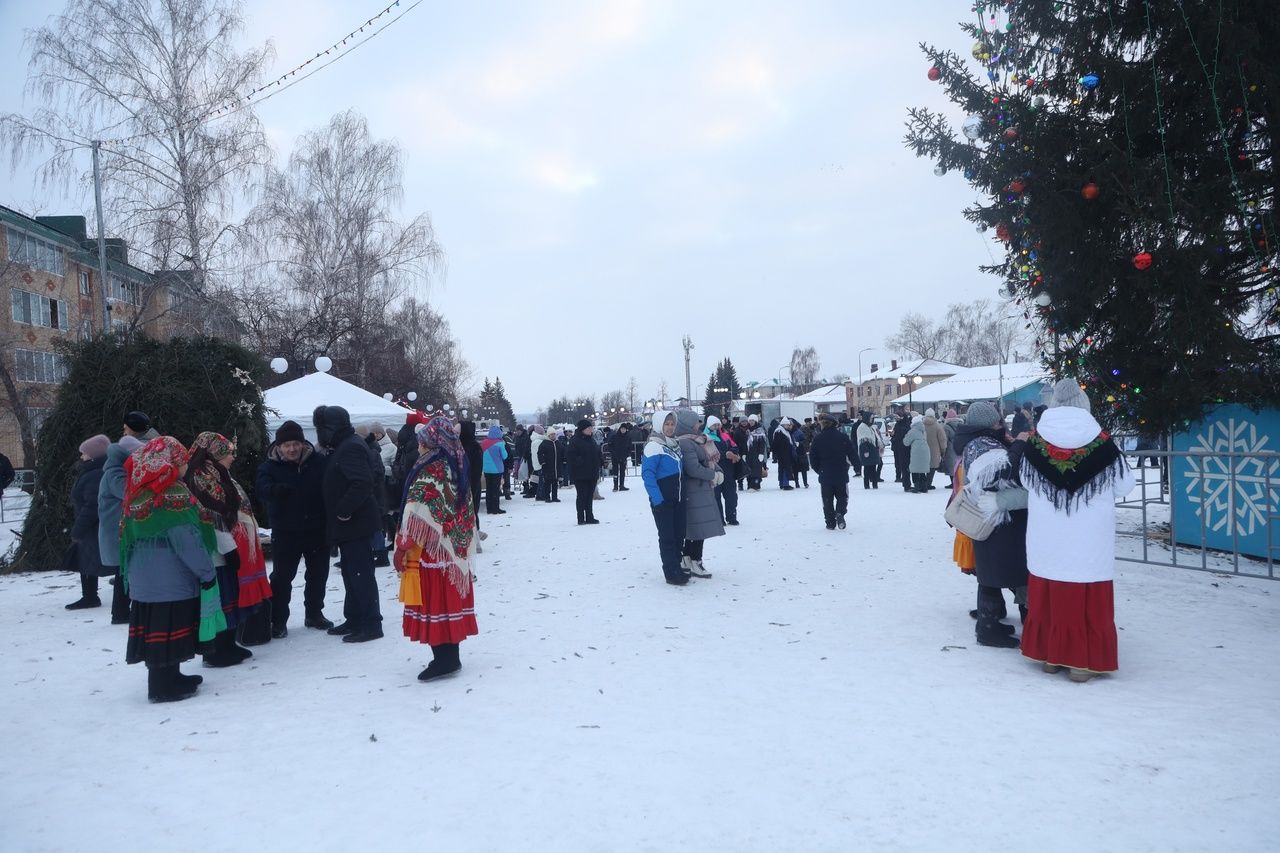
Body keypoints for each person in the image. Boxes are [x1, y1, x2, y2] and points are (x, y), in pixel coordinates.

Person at [1020, 379, 1135, 682]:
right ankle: (1082, 663)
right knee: (1087, 599)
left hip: (1047, 538)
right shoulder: (1104, 445)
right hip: (1088, 541)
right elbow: (1125, 485)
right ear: (1084, 404)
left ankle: (1049, 656)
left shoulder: (1035, 444)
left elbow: (1025, 481)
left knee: (1048, 595)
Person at [120, 436, 218, 703]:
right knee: (169, 630)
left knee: (157, 632)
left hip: (144, 577)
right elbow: (185, 539)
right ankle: (163, 687)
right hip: (170, 578)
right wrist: (206, 572)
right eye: (183, 461)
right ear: (172, 461)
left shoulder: (138, 490)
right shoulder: (172, 492)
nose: (186, 466)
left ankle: (172, 677)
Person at [395, 416, 479, 681]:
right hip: (451, 548)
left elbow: (418, 511)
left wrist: (403, 545)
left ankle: (443, 659)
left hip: (433, 551)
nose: (419, 447)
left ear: (431, 442)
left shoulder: (432, 469)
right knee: (446, 601)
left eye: (422, 442)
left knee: (436, 603)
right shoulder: (455, 464)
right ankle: (449, 656)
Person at [185, 432, 273, 662]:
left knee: (229, 598)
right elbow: (212, 517)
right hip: (217, 550)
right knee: (221, 599)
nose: (233, 457)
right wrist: (229, 548)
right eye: (229, 453)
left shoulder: (216, 473)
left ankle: (227, 644)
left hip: (227, 547)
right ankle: (217, 651)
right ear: (215, 453)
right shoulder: (202, 477)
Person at [957, 402, 1028, 650]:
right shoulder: (980, 444)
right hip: (997, 517)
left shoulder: (980, 440)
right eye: (998, 421)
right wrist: (1019, 443)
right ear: (989, 424)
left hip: (993, 517)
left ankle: (989, 624)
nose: (1002, 425)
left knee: (991, 572)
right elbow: (1004, 470)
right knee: (1004, 571)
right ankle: (987, 629)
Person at [314, 405, 384, 643]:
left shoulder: (350, 447)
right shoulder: (344, 445)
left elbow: (362, 483)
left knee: (360, 573)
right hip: (349, 523)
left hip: (356, 522)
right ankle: (354, 617)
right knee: (350, 572)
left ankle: (371, 623)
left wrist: (344, 510)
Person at [256, 420, 331, 637]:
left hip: (316, 528)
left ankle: (314, 613)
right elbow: (261, 489)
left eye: (295, 444)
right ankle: (278, 621)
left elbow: (329, 487)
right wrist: (274, 490)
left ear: (302, 443)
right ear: (279, 447)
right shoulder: (269, 467)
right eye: (287, 445)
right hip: (286, 530)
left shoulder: (318, 462)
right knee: (282, 577)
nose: (291, 449)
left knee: (318, 573)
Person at [97, 434, 144, 623]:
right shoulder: (115, 473)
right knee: (123, 572)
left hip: (119, 530)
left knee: (124, 571)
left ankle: (121, 611)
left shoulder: (115, 471)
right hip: (117, 532)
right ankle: (120, 612)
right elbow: (129, 493)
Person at [642, 411, 689, 586]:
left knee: (679, 535)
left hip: (678, 498)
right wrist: (657, 500)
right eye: (666, 424)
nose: (669, 427)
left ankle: (676, 565)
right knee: (667, 537)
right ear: (659, 425)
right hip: (662, 501)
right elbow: (648, 475)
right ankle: (671, 572)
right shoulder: (653, 446)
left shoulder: (674, 444)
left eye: (672, 424)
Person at [675, 409, 723, 578]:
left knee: (695, 527)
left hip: (700, 490)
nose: (699, 425)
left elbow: (708, 460)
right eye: (696, 422)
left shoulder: (695, 441)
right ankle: (696, 560)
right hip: (695, 490)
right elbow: (693, 468)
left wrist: (718, 471)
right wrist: (713, 475)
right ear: (688, 424)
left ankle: (687, 558)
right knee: (698, 528)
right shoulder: (686, 443)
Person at [65, 434, 111, 610]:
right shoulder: (93, 471)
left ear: (93, 454)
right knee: (87, 559)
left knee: (87, 560)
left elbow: (92, 505)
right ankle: (90, 596)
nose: (81, 456)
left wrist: (78, 528)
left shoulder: (95, 474)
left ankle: (90, 597)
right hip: (91, 525)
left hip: (92, 526)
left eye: (83, 453)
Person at [808, 412, 857, 529]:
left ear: (823, 424)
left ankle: (830, 522)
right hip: (841, 473)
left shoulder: (818, 439)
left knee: (827, 500)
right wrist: (857, 466)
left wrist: (819, 470)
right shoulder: (842, 437)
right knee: (842, 496)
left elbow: (812, 457)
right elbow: (852, 453)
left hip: (825, 474)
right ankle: (840, 512)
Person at [567, 419, 602, 525]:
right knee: (582, 496)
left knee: (589, 496)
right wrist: (581, 461)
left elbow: (596, 452)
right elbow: (570, 456)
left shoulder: (591, 440)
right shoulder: (574, 441)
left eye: (591, 428)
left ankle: (590, 516)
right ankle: (581, 517)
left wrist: (600, 461)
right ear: (583, 429)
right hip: (580, 474)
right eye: (588, 428)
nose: (591, 430)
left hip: (592, 472)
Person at [706, 415, 739, 526]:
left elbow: (735, 446)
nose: (716, 427)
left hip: (728, 470)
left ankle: (732, 516)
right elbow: (709, 453)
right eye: (714, 425)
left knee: (731, 495)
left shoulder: (725, 435)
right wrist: (726, 454)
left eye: (718, 424)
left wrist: (733, 452)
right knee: (716, 496)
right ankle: (719, 519)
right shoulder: (705, 437)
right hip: (714, 470)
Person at [480, 424, 509, 515]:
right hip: (497, 469)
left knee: (489, 489)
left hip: (486, 469)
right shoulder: (500, 443)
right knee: (496, 489)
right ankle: (495, 508)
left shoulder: (483, 443)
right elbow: (505, 456)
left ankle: (489, 508)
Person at [855, 412, 885, 489]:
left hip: (873, 450)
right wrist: (865, 451)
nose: (872, 420)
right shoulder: (862, 427)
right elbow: (862, 440)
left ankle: (875, 484)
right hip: (867, 451)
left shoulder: (871, 427)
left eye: (872, 418)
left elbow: (875, 437)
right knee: (867, 469)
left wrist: (879, 445)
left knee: (873, 469)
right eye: (871, 418)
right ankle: (866, 485)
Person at [903, 415, 932, 493]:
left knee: (914, 469)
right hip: (926, 450)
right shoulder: (923, 430)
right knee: (922, 470)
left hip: (916, 452)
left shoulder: (912, 431)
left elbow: (906, 442)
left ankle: (916, 488)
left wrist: (905, 436)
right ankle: (924, 488)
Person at [924, 408, 947, 490]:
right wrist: (943, 450)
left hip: (923, 449)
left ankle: (923, 483)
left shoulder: (921, 424)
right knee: (932, 467)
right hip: (935, 450)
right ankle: (928, 483)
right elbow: (942, 439)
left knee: (923, 466)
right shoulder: (937, 425)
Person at [537, 428, 562, 502]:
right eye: (551, 435)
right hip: (547, 466)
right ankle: (547, 497)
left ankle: (555, 497)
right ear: (548, 435)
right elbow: (539, 454)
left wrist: (564, 459)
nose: (553, 436)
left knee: (555, 483)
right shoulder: (544, 443)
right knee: (547, 482)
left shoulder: (558, 443)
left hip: (556, 466)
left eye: (554, 434)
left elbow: (562, 451)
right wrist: (542, 462)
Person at [771, 419, 796, 490]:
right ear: (783, 424)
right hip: (783, 453)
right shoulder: (779, 431)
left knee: (782, 468)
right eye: (787, 425)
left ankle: (782, 483)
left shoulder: (784, 431)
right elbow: (776, 443)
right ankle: (785, 484)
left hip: (784, 453)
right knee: (785, 468)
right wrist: (776, 453)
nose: (788, 426)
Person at [608, 422, 633, 491]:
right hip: (615, 457)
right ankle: (615, 486)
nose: (623, 430)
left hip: (623, 457)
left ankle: (622, 485)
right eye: (622, 429)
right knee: (615, 472)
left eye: (624, 429)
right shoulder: (614, 436)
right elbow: (609, 445)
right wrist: (613, 452)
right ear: (620, 429)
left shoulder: (628, 437)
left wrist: (627, 454)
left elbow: (630, 447)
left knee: (622, 472)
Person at [745, 417, 768, 491]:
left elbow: (762, 443)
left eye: (753, 420)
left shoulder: (760, 431)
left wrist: (761, 453)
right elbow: (743, 443)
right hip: (749, 453)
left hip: (757, 453)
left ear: (755, 421)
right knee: (749, 469)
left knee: (756, 470)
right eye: (750, 421)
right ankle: (750, 484)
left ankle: (755, 485)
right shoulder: (747, 430)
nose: (751, 422)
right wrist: (744, 453)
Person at [891, 411, 912, 486]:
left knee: (904, 463)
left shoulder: (906, 424)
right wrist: (893, 436)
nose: (896, 419)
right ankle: (898, 476)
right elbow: (895, 434)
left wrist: (895, 435)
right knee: (897, 462)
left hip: (904, 447)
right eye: (895, 417)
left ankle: (904, 478)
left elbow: (904, 434)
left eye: (897, 417)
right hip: (896, 446)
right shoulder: (897, 424)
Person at [793, 419, 812, 488]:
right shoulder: (798, 432)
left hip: (799, 452)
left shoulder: (797, 432)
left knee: (797, 469)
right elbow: (805, 440)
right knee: (800, 470)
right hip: (800, 452)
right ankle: (802, 483)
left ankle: (800, 483)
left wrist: (799, 443)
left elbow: (805, 440)